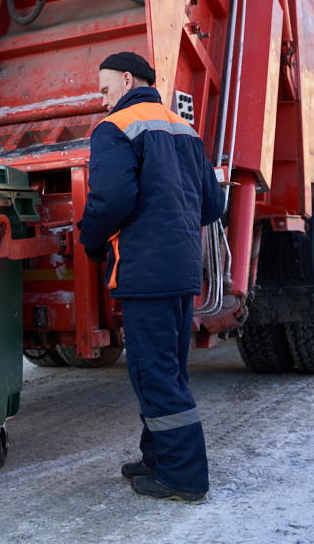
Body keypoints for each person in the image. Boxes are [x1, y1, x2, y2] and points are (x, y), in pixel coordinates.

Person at [78, 52, 225, 503]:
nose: (102, 101)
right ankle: (157, 457)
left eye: (104, 90)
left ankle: (183, 477)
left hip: (145, 271)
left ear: (126, 80)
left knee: (155, 373)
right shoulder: (183, 129)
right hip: (181, 269)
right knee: (163, 370)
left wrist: (92, 238)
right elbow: (213, 204)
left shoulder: (114, 129)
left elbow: (113, 196)